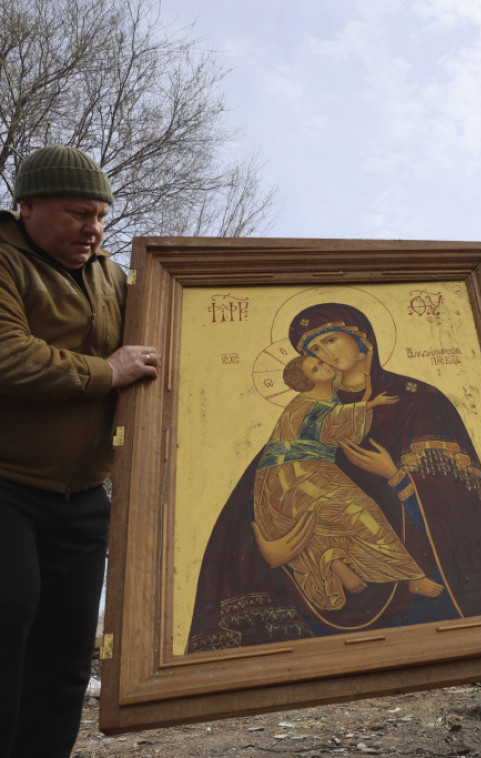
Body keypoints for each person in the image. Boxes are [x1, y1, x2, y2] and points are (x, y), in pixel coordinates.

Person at [187, 302, 481, 651]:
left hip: (425, 580)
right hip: (318, 592)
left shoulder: (418, 399)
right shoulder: (308, 408)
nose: (325, 354)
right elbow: (262, 489)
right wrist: (268, 542)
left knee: (356, 513)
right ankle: (332, 564)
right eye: (314, 351)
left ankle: (391, 572)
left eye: (331, 340)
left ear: (361, 337)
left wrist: (395, 477)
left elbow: (464, 505)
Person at [0, 145, 161, 758]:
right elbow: (9, 356)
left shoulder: (115, 278)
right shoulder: (5, 262)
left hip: (84, 499)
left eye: (100, 215)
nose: (92, 229)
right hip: (7, 485)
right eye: (76, 213)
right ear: (28, 206)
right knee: (8, 617)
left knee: (68, 653)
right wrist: (106, 371)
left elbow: (161, 343)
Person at [253, 354, 443, 610]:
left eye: (321, 362)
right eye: (315, 367)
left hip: (313, 467)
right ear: (305, 379)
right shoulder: (303, 403)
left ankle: (333, 560)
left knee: (329, 519)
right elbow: (330, 425)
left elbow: (340, 428)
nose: (324, 365)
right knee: (358, 512)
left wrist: (364, 372)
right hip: (291, 473)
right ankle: (411, 577)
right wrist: (369, 405)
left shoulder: (328, 396)